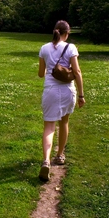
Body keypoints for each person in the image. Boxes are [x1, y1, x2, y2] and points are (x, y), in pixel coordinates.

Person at [37, 20, 85, 181]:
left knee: (49, 126)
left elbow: (40, 73)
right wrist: (81, 95)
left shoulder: (44, 48)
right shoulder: (71, 47)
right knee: (64, 123)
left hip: (50, 91)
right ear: (67, 33)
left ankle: (45, 160)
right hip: (67, 91)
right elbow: (77, 71)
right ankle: (59, 155)